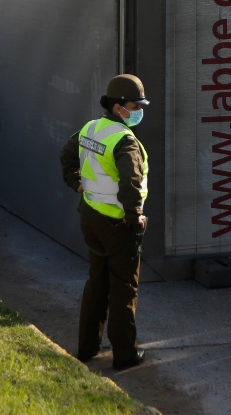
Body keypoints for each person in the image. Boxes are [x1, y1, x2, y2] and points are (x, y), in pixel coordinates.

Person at [59, 74, 151, 371]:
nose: (138, 110)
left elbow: (66, 154)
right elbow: (131, 182)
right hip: (118, 226)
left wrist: (76, 183)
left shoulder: (90, 128)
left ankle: (87, 348)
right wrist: (134, 214)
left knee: (97, 283)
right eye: (134, 105)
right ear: (117, 107)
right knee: (124, 289)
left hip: (91, 218)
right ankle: (125, 356)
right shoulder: (125, 140)